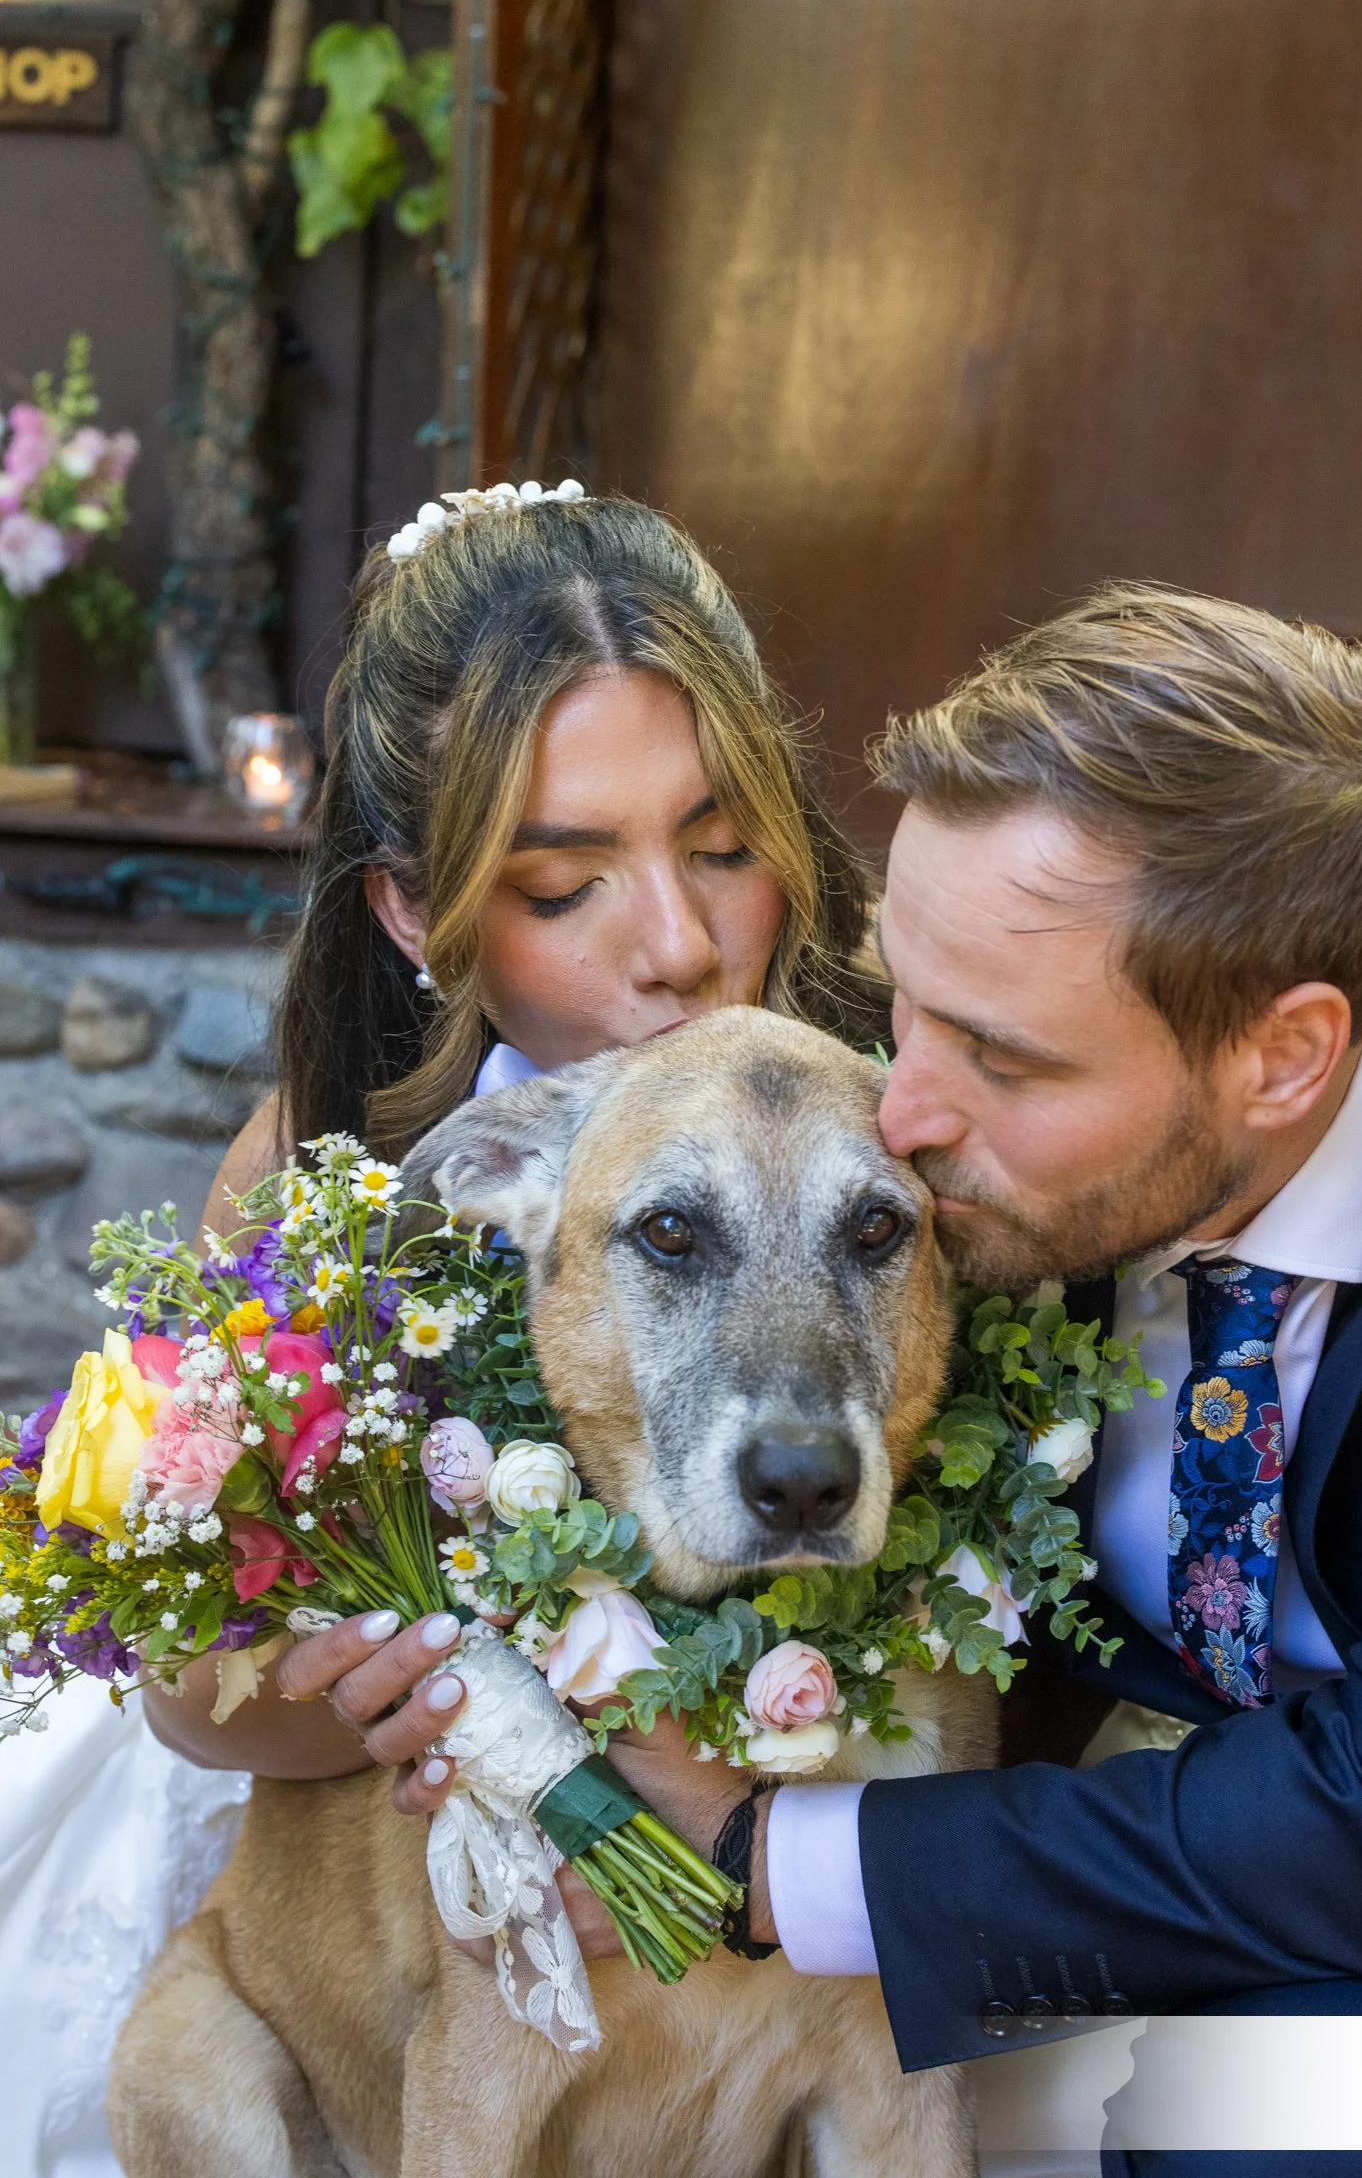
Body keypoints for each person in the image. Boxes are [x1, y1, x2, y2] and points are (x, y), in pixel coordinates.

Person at [586, 584, 1362, 2178]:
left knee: (1282, 2132)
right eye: (899, 1000)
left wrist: (765, 1860)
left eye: (1001, 1057)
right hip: (1234, 1870)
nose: (904, 1116)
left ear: (1285, 1056)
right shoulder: (1003, 1147)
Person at [0, 485, 884, 2175]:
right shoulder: (321, 1170)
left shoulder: (878, 1128)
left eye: (722, 846)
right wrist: (387, 1702)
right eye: (566, 884)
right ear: (418, 912)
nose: (684, 945)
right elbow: (189, 1695)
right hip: (394, 1930)